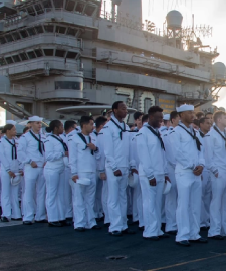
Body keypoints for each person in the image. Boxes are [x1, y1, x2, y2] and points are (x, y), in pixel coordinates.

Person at [172, 104, 207, 246]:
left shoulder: (195, 132)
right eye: (189, 113)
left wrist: (201, 165)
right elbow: (177, 153)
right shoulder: (176, 132)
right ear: (180, 115)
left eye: (193, 112)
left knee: (195, 204)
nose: (192, 115)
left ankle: (194, 233)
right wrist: (193, 166)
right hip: (185, 172)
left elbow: (201, 151)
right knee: (183, 204)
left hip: (196, 173)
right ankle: (182, 235)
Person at [136, 106, 171, 240]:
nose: (161, 120)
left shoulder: (156, 132)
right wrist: (150, 175)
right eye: (159, 118)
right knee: (149, 203)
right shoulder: (143, 133)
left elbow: (161, 154)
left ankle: (157, 229)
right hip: (149, 175)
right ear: (151, 118)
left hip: (159, 173)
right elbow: (144, 156)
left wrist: (165, 172)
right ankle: (150, 230)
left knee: (157, 203)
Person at [103, 101, 131, 236]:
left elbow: (127, 148)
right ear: (114, 110)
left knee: (123, 197)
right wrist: (114, 168)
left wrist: (129, 165)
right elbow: (107, 151)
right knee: (113, 197)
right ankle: (115, 226)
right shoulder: (108, 128)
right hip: (114, 167)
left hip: (124, 166)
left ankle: (123, 224)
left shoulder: (124, 126)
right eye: (123, 109)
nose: (126, 111)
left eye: (126, 109)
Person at [69, 115, 100, 231]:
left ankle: (90, 222)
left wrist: (95, 149)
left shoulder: (94, 138)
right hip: (80, 172)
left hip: (92, 170)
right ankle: (79, 223)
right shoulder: (74, 138)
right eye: (91, 124)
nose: (93, 127)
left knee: (90, 199)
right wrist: (73, 173)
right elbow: (72, 157)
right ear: (84, 125)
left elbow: (99, 155)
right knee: (79, 198)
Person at [205, 111, 226, 240]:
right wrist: (214, 170)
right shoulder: (211, 135)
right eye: (225, 118)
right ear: (219, 120)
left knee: (225, 202)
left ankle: (224, 228)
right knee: (216, 202)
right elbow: (208, 156)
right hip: (218, 172)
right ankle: (214, 230)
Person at [18, 116, 47, 225]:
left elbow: (45, 150)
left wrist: (46, 160)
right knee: (29, 192)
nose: (39, 125)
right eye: (37, 123)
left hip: (41, 166)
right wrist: (29, 161)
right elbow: (20, 152)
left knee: (41, 192)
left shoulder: (43, 136)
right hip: (31, 166)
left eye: (40, 123)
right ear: (30, 124)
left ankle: (40, 215)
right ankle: (28, 216)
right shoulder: (25, 137)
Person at [44, 120, 68, 227]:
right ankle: (52, 218)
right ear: (55, 128)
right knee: (51, 194)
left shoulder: (61, 138)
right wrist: (62, 154)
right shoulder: (49, 140)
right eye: (61, 126)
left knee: (60, 194)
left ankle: (61, 217)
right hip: (52, 169)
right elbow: (48, 156)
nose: (62, 128)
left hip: (60, 168)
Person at [0, 123, 22, 222]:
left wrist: (20, 168)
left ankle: (16, 214)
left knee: (15, 192)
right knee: (5, 192)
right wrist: (8, 170)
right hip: (6, 170)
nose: (15, 131)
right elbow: (2, 156)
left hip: (15, 168)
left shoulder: (16, 141)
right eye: (13, 129)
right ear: (8, 131)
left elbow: (19, 154)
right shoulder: (1, 142)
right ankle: (6, 214)